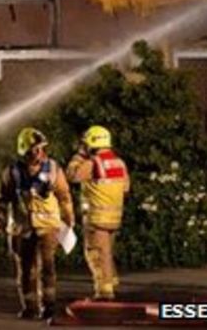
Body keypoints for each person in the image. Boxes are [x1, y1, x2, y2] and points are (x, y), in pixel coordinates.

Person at [0, 127, 74, 320]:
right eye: (36, 149)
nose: (41, 152)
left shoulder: (53, 169)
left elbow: (64, 197)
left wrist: (69, 219)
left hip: (48, 227)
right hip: (22, 229)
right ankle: (30, 307)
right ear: (25, 151)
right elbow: (2, 199)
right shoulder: (12, 172)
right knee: (26, 270)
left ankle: (49, 306)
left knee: (47, 267)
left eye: (42, 148)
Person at [66, 125, 129, 301]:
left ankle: (104, 292)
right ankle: (112, 281)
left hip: (96, 218)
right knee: (106, 252)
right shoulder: (119, 163)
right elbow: (125, 188)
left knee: (96, 254)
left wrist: (78, 157)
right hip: (114, 218)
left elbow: (72, 175)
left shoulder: (92, 163)